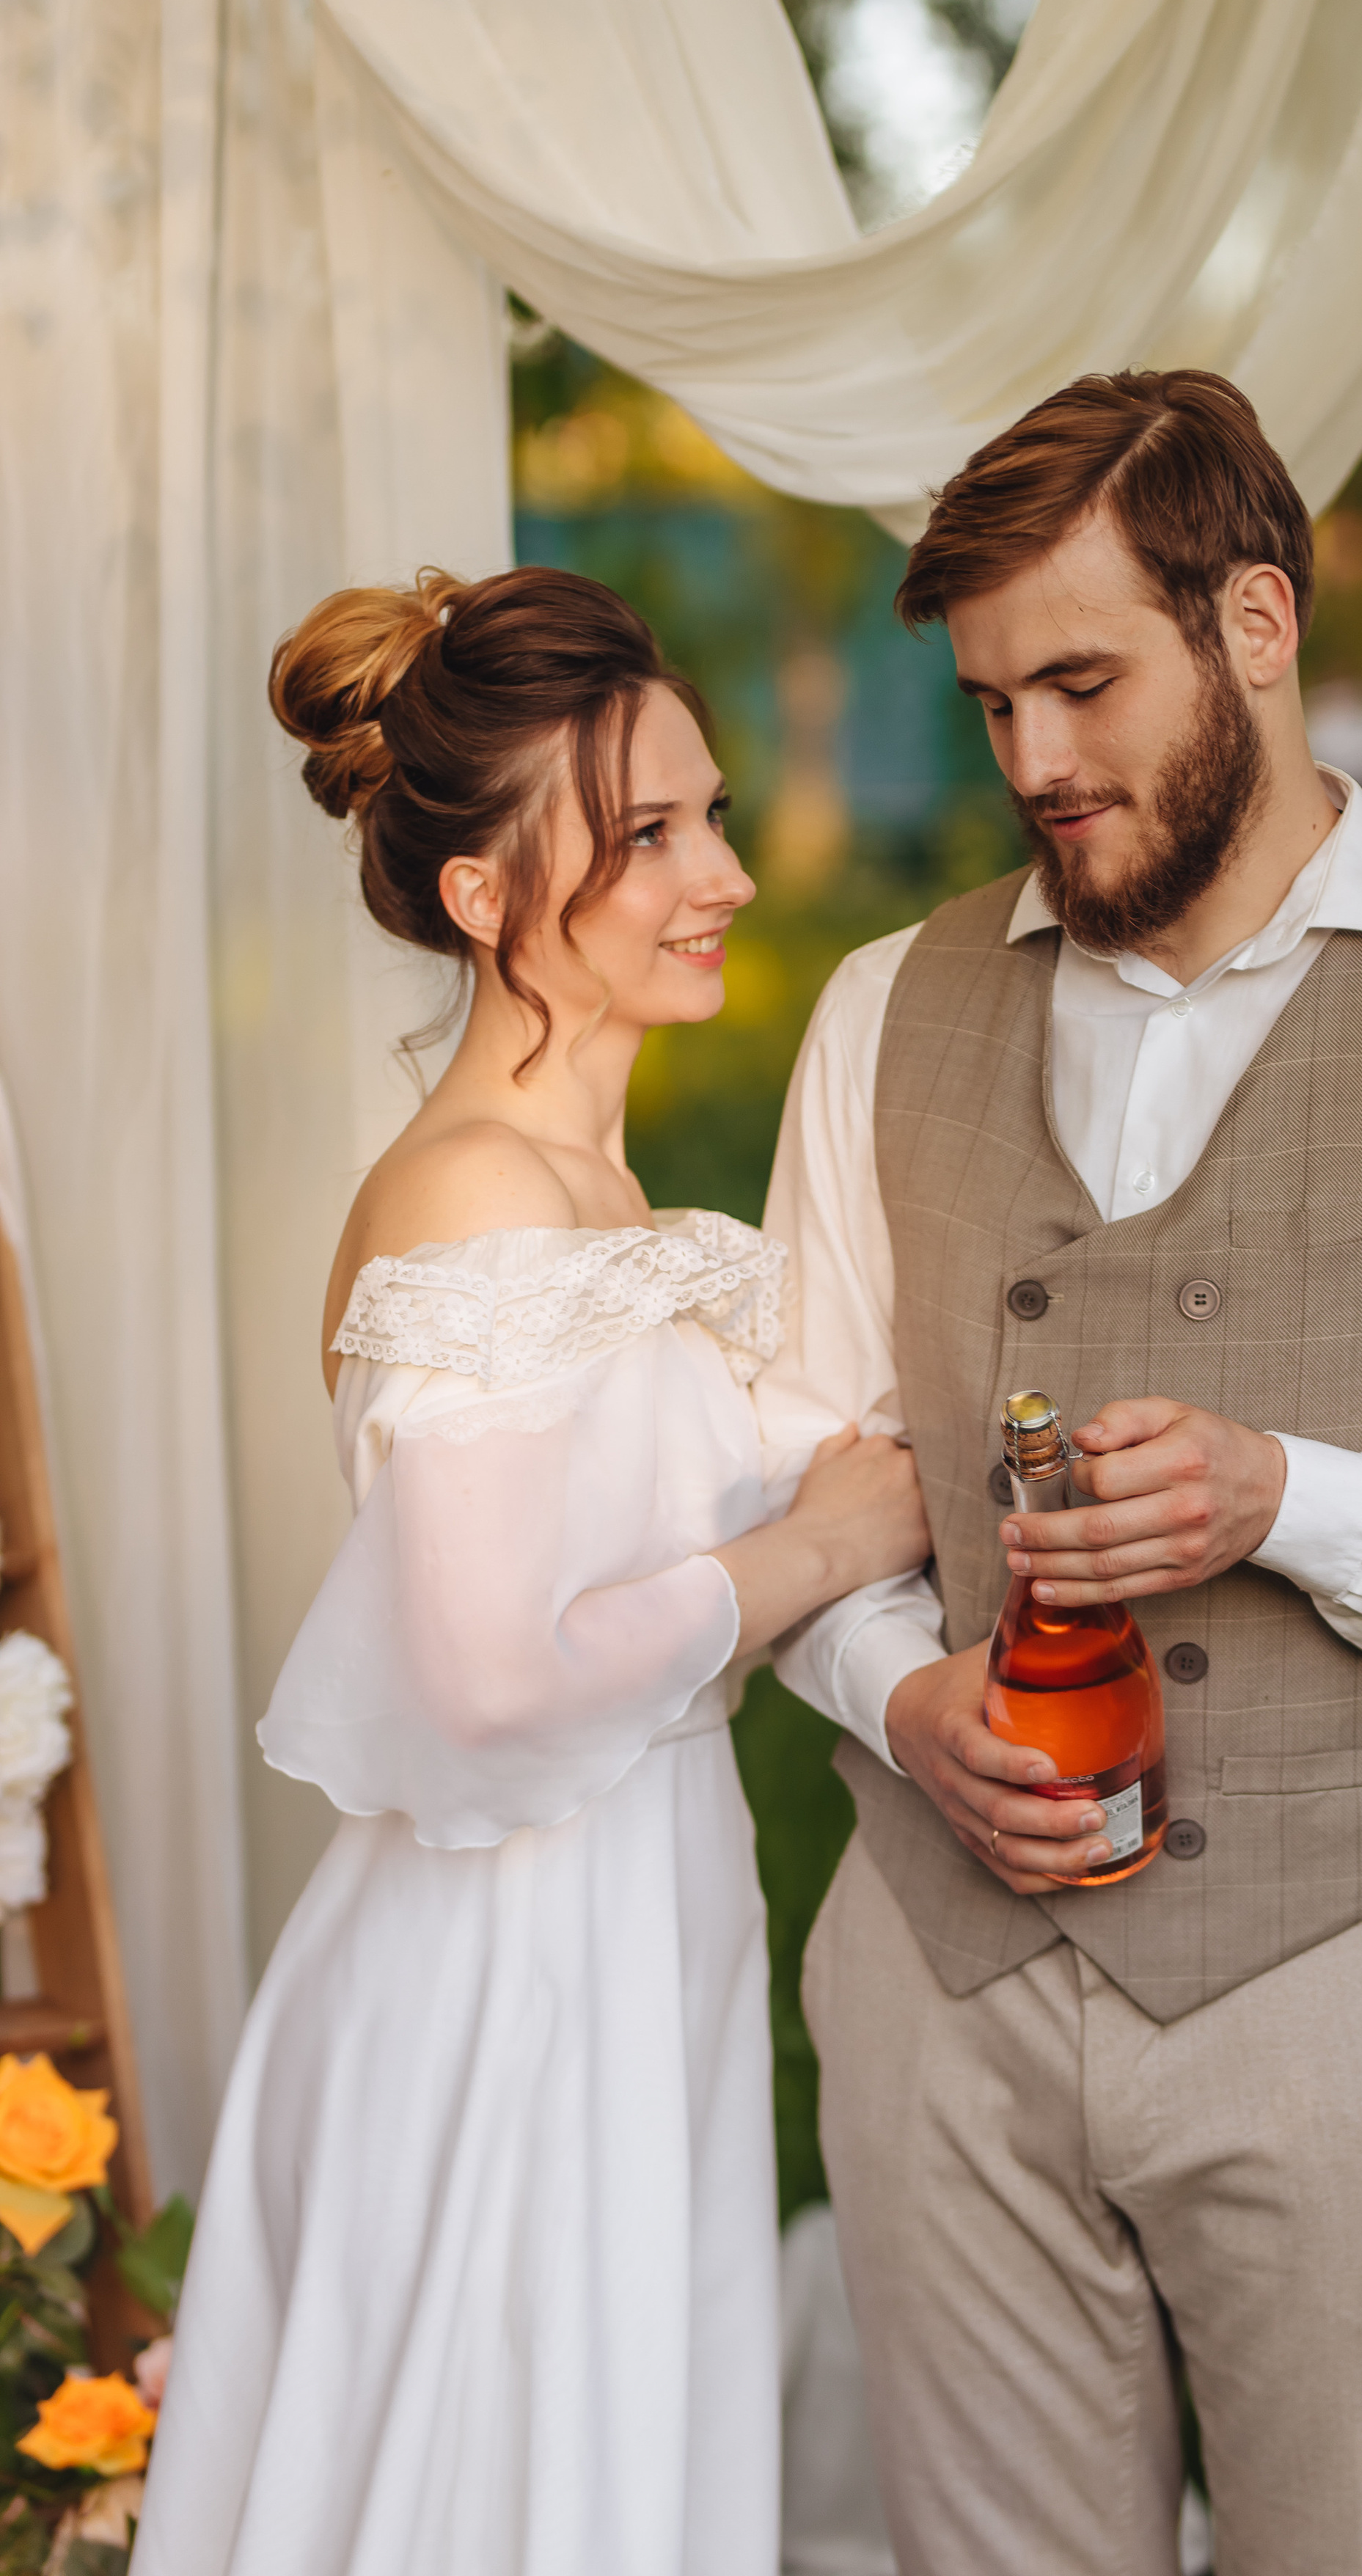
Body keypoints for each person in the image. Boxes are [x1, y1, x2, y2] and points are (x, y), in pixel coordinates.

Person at [758, 371, 1362, 2576]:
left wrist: (1294, 1498)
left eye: (1083, 685)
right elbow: (808, 1473)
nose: (1032, 761)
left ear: (1255, 624)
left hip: (1350, 1999)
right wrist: (899, 1694)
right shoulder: (878, 1011)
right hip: (940, 1993)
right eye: (992, 704)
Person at [133, 568, 929, 2576]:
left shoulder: (592, 1196)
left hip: (630, 1930)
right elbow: (488, 1676)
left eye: (711, 815)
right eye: (645, 836)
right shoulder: (477, 1201)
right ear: (484, 894)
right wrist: (819, 1546)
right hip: (514, 1970)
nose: (720, 874)